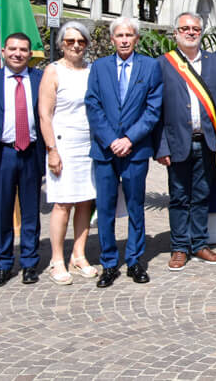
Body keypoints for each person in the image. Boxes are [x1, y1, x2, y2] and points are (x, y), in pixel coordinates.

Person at [85, 17, 163, 288]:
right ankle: (108, 263)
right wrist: (110, 140)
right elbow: (92, 105)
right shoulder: (99, 67)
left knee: (135, 207)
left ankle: (134, 260)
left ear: (137, 38)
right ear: (112, 39)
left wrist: (129, 138)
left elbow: (153, 110)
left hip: (136, 150)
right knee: (104, 209)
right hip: (105, 152)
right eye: (120, 35)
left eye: (130, 35)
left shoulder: (150, 67)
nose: (125, 40)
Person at [156, 13, 216, 271]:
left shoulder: (215, 63)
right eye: (185, 28)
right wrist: (161, 146)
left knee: (202, 195)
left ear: (201, 32)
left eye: (195, 28)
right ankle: (180, 247)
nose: (190, 32)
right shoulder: (163, 64)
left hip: (207, 142)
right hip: (177, 141)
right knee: (179, 196)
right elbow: (156, 110)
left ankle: (200, 244)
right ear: (175, 33)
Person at [0, 33, 46, 287]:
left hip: (31, 153)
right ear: (3, 51)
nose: (17, 53)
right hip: (2, 154)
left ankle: (29, 263)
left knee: (30, 212)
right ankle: (3, 264)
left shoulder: (40, 79)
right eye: (13, 49)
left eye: (23, 50)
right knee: (2, 212)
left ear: (29, 53)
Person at [37, 21, 97, 285]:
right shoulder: (52, 71)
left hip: (88, 145)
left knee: (85, 201)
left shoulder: (91, 71)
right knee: (62, 204)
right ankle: (57, 259)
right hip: (63, 144)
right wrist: (52, 150)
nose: (75, 45)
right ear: (61, 43)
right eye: (70, 41)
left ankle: (79, 254)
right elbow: (44, 114)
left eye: (80, 41)